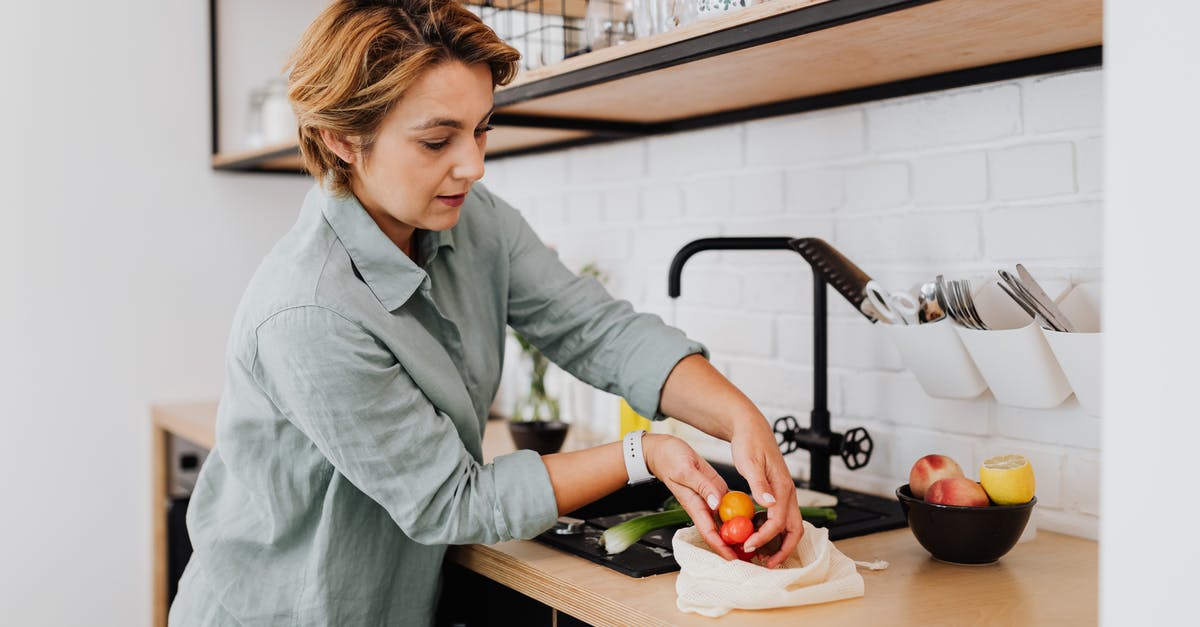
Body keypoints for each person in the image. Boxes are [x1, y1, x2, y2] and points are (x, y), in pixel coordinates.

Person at [170, 1, 802, 625]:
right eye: (437, 139)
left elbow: (593, 328)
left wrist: (737, 417)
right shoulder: (310, 313)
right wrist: (644, 451)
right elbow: (453, 501)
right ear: (342, 139)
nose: (472, 164)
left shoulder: (475, 222)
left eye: (481, 129)